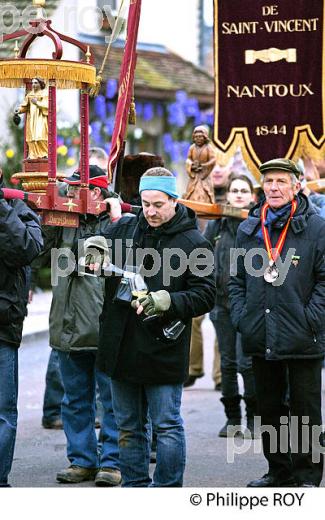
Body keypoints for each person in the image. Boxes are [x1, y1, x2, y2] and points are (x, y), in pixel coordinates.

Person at [95, 167, 215, 487]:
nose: (150, 211)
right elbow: (99, 244)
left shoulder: (194, 242)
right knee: (129, 428)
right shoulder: (127, 229)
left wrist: (167, 301)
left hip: (164, 345)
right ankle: (135, 489)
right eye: (145, 203)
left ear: (174, 200)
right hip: (122, 343)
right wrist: (94, 249)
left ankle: (166, 492)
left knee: (166, 425)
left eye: (158, 204)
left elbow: (205, 295)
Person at [229, 158, 325, 487]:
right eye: (269, 182)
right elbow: (236, 280)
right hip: (260, 330)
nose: (274, 187)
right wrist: (243, 317)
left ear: (296, 186)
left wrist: (312, 317)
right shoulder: (249, 228)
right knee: (269, 407)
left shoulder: (316, 227)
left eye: (281, 181)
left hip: (303, 333)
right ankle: (278, 471)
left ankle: (308, 474)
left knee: (305, 410)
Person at [33, 165, 121, 486]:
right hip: (68, 327)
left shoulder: (118, 220)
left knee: (111, 401)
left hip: (105, 327)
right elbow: (35, 253)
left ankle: (111, 462)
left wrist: (115, 218)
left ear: (95, 192)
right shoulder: (63, 220)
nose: (68, 192)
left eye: (73, 187)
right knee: (74, 401)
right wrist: (40, 214)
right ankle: (82, 460)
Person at [0, 168, 43, 487]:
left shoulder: (16, 207)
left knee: (3, 411)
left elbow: (28, 247)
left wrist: (1, 209)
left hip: (4, 324)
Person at [206, 174, 257, 437]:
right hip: (221, 306)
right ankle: (232, 419)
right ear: (227, 195)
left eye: (243, 191)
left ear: (252, 196)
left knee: (246, 363)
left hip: (250, 308)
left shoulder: (258, 226)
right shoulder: (216, 227)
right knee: (227, 363)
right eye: (234, 190)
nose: (238, 194)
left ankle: (253, 419)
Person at [15, 77, 48, 159]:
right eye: (33, 83)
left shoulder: (45, 94)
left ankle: (44, 153)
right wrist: (19, 110)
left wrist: (37, 103)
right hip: (32, 118)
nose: (34, 85)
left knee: (41, 135)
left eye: (36, 83)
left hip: (41, 118)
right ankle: (32, 154)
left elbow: (48, 106)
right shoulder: (30, 94)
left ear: (41, 84)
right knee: (31, 137)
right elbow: (25, 106)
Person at [184, 125, 216, 203]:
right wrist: (191, 165)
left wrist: (204, 166)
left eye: (200, 137)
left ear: (205, 137)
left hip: (204, 176)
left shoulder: (208, 148)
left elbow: (213, 160)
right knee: (191, 192)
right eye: (196, 137)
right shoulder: (192, 148)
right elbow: (188, 159)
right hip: (194, 176)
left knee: (205, 192)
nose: (198, 139)